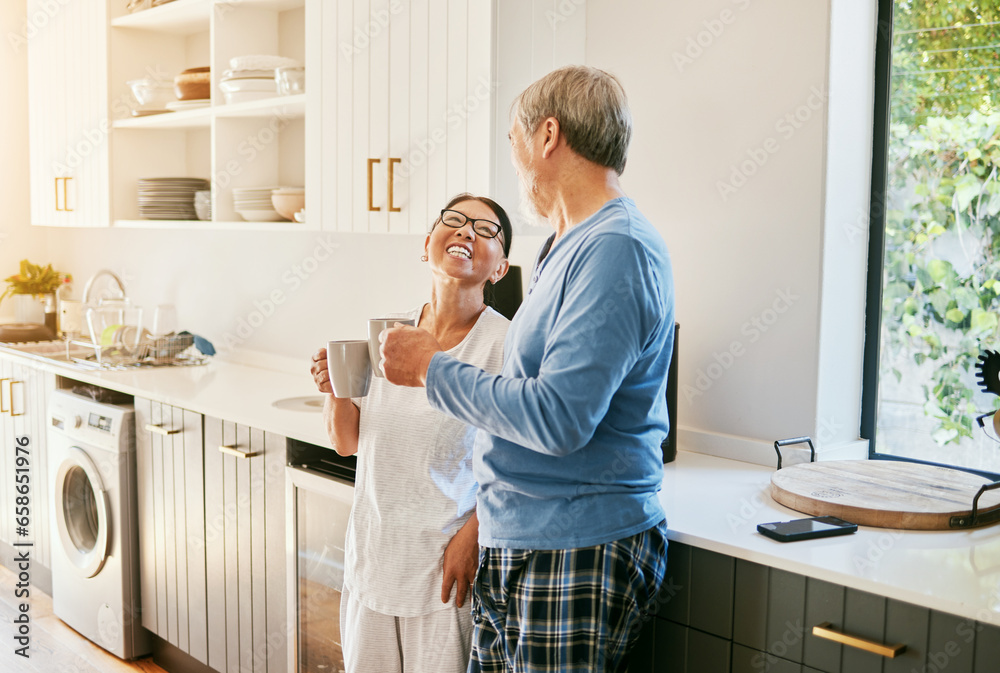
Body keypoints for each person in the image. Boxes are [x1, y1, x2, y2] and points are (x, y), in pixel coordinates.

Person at [380, 65, 674, 672]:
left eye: (512, 142)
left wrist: (432, 370)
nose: (513, 161)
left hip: (576, 544)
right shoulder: (564, 245)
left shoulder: (616, 247)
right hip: (523, 536)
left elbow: (560, 419)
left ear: (547, 135)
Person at [309, 193, 513, 673]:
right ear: (427, 245)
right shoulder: (389, 334)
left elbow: (517, 462)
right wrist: (334, 389)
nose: (466, 232)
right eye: (455, 221)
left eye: (485, 231)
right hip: (374, 557)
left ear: (499, 268)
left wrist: (473, 538)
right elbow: (347, 442)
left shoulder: (505, 346)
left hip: (444, 571)